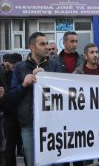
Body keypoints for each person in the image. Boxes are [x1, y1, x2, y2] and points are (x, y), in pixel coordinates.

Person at [9, 32, 60, 166]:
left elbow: (62, 93)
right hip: (28, 124)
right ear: (32, 47)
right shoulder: (20, 67)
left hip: (51, 123)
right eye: (42, 44)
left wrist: (48, 79)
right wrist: (23, 85)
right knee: (31, 161)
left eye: (47, 43)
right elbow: (12, 97)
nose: (46, 47)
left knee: (53, 161)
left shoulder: (54, 65)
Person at [73, 43, 99, 166]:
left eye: (96, 52)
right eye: (92, 52)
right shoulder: (77, 73)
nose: (95, 55)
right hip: (84, 120)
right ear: (85, 56)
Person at [54, 31, 84, 166]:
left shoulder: (83, 60)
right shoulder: (54, 60)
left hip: (79, 107)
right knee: (64, 146)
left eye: (76, 41)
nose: (75, 44)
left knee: (79, 147)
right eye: (72, 41)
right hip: (62, 109)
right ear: (64, 43)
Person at [1, 53, 25, 166]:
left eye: (14, 63)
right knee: (10, 144)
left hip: (21, 113)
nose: (12, 65)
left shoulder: (22, 73)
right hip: (9, 113)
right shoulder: (4, 73)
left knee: (23, 143)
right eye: (11, 63)